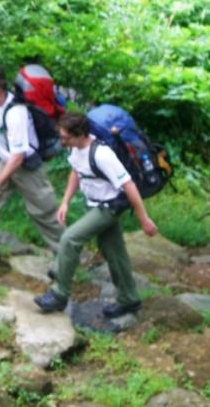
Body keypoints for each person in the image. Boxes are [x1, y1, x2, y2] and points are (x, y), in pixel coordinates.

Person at [34, 111, 158, 317]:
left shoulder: (102, 155)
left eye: (66, 137)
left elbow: (129, 185)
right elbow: (77, 171)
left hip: (109, 207)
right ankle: (129, 299)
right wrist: (65, 202)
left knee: (70, 238)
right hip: (93, 204)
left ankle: (59, 294)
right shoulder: (75, 148)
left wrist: (144, 219)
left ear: (80, 134)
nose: (62, 141)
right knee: (114, 252)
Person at [0, 63, 65, 267]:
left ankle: (66, 256)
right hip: (3, 161)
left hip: (27, 167)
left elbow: (18, 157)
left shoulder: (16, 112)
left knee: (44, 212)